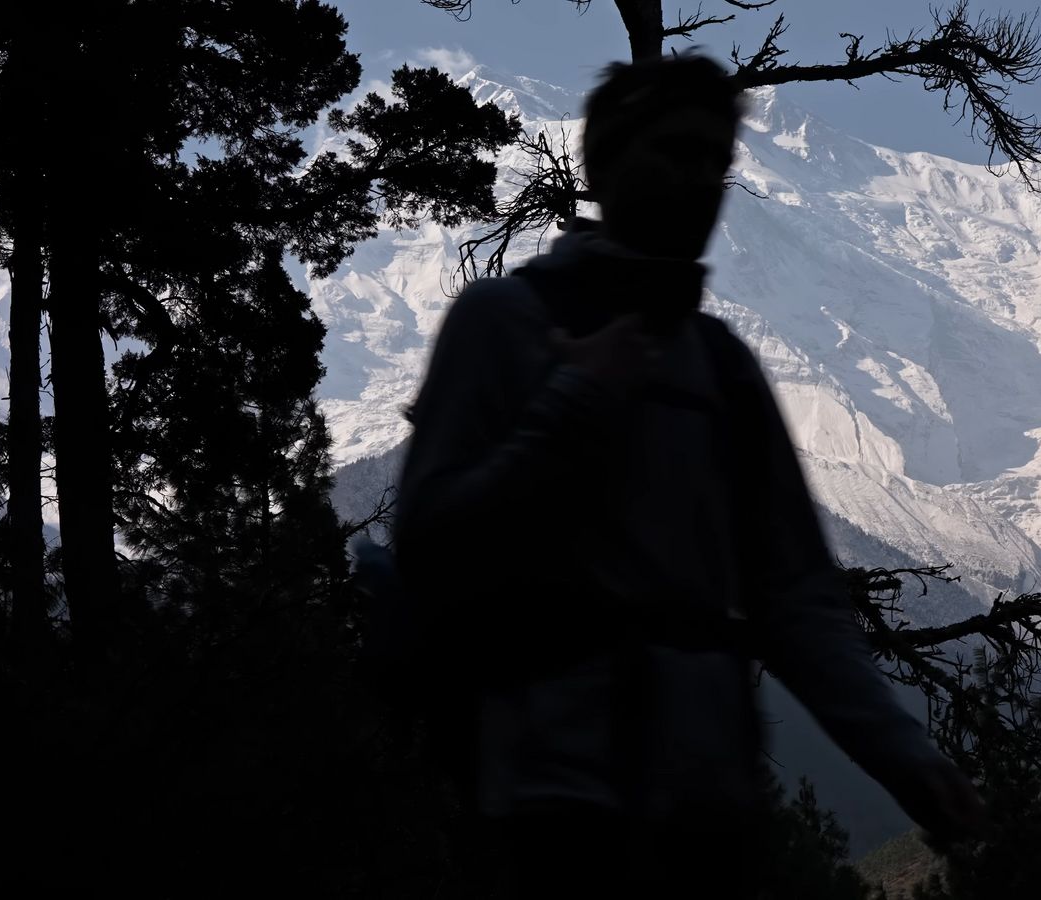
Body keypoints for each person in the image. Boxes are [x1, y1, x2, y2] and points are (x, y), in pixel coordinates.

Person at [394, 54, 985, 898]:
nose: (702, 179)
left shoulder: (720, 367)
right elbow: (428, 540)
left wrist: (908, 758)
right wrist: (570, 404)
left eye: (717, 160)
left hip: (707, 812)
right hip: (551, 810)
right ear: (605, 162)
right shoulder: (503, 326)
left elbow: (798, 599)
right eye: (677, 151)